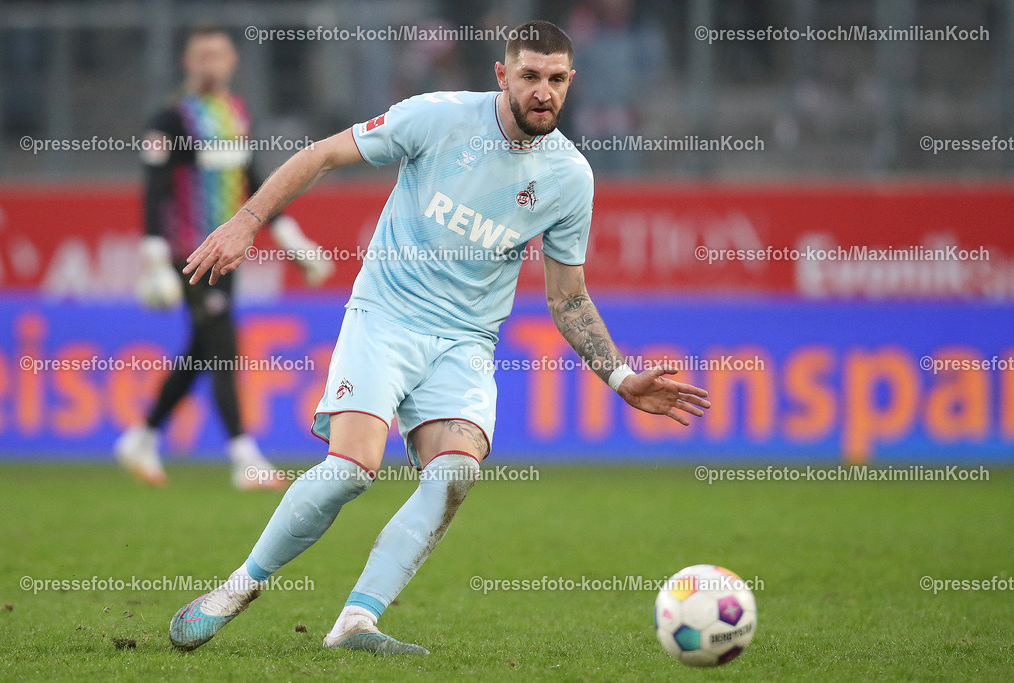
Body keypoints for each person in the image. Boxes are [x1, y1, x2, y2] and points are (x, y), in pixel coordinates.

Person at [168, 20, 710, 654]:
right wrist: (247, 221)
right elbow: (322, 155)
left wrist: (621, 376)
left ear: (571, 81)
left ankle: (356, 623)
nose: (543, 92)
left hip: (466, 341)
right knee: (351, 471)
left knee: (454, 474)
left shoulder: (570, 176)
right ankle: (235, 590)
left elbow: (567, 296)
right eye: (530, 76)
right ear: (502, 75)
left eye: (557, 79)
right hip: (386, 316)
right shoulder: (438, 117)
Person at [114, 26, 331, 490]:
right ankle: (244, 456)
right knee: (223, 346)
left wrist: (290, 236)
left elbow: (253, 181)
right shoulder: (170, 120)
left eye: (218, 54)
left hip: (228, 253)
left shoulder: (235, 114)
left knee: (202, 348)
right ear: (188, 62)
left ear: (232, 61)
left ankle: (142, 437)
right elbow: (154, 190)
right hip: (189, 254)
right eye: (202, 55)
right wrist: (155, 258)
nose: (210, 63)